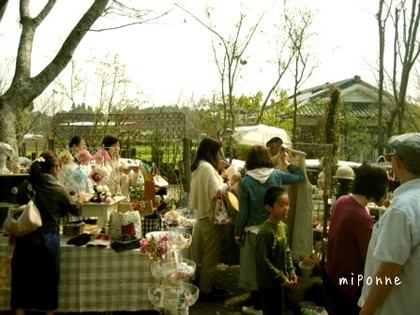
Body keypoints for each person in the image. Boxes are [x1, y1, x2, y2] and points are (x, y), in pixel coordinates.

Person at [10, 151, 84, 315]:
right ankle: (49, 312)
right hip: (47, 239)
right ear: (55, 168)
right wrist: (81, 199)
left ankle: (19, 312)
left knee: (22, 279)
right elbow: (76, 210)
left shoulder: (26, 185)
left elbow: (18, 207)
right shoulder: (57, 189)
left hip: (25, 237)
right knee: (48, 280)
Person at [234, 145, 304, 315]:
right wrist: (286, 163)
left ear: (249, 161)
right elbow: (299, 177)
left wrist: (237, 232)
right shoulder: (277, 175)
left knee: (255, 269)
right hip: (274, 228)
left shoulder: (245, 182)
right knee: (271, 267)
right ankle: (269, 305)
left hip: (253, 231)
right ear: (267, 159)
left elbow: (243, 211)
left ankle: (257, 305)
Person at [359, 133, 420, 314]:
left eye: (392, 157)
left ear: (398, 162)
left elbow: (388, 272)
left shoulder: (402, 208)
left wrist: (365, 312)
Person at [323, 163, 388, 315]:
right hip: (348, 286)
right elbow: (369, 260)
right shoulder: (361, 218)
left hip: (331, 277)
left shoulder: (342, 201)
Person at [188, 137, 241, 302]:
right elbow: (217, 192)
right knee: (211, 255)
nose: (219, 155)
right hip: (210, 217)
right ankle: (205, 290)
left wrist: (220, 173)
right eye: (217, 151)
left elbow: (211, 187)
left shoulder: (201, 166)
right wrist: (232, 180)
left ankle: (207, 285)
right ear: (211, 152)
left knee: (208, 253)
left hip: (204, 215)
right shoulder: (205, 168)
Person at [255, 186, 297, 315]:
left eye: (287, 204)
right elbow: (263, 260)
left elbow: (287, 251)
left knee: (279, 309)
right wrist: (280, 277)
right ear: (269, 208)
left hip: (280, 281)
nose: (286, 208)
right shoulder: (265, 232)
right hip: (267, 283)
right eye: (281, 205)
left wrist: (291, 270)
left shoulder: (283, 227)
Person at [100, 135, 140, 201]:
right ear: (106, 147)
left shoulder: (123, 163)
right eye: (113, 146)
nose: (116, 148)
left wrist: (135, 172)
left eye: (118, 145)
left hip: (124, 200)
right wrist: (116, 170)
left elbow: (132, 183)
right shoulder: (102, 164)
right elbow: (101, 184)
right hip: (109, 201)